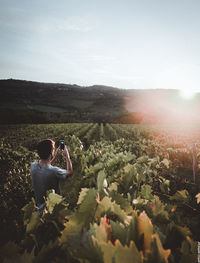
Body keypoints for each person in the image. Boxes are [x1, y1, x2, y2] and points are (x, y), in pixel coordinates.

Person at [30, 139, 72, 216]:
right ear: (51, 152)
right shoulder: (54, 171)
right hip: (53, 211)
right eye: (53, 148)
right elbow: (69, 171)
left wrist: (55, 156)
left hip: (40, 210)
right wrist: (67, 156)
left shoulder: (33, 166)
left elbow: (46, 167)